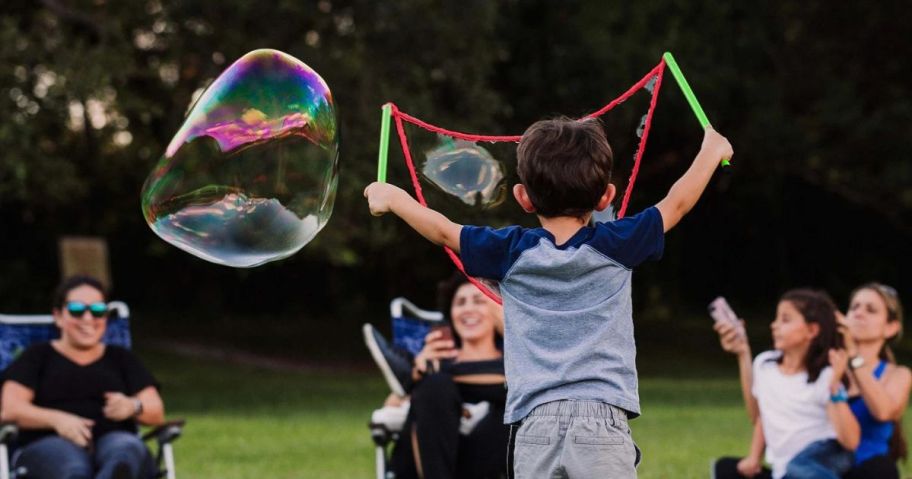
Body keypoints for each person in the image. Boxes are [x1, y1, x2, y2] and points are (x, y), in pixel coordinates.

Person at [366, 117, 733, 478]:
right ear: (607, 195)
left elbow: (444, 232)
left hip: (533, 426)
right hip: (601, 422)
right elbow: (677, 204)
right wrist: (710, 152)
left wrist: (394, 197)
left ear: (523, 197)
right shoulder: (618, 244)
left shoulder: (510, 252)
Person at [716, 283, 910, 478]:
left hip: (860, 469)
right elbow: (763, 415)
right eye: (854, 307)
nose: (859, 313)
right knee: (727, 469)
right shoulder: (821, 367)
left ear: (891, 327)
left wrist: (853, 357)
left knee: (880, 469)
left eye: (871, 310)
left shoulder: (896, 375)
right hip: (806, 467)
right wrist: (744, 355)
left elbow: (884, 412)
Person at [1, 276, 165, 479]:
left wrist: (133, 406)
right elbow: (9, 409)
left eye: (98, 310)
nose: (88, 319)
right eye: (77, 310)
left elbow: (156, 412)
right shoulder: (37, 356)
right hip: (50, 442)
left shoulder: (121, 358)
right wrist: (56, 419)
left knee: (125, 454)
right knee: (72, 470)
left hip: (114, 438)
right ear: (58, 316)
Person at [383, 272, 508, 479]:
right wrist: (415, 376)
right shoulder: (432, 360)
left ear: (496, 309)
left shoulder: (515, 361)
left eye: (478, 300)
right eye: (460, 302)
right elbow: (388, 410)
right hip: (426, 463)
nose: (468, 309)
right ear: (451, 314)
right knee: (434, 387)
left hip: (485, 461)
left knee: (512, 406)